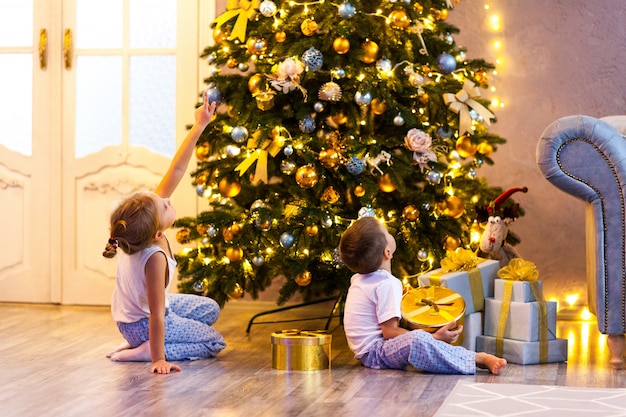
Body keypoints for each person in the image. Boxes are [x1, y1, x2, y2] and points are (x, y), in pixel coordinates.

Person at [102, 90, 226, 374]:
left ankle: (145, 344)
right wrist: (159, 358)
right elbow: (158, 314)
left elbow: (177, 170)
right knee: (213, 341)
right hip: (144, 324)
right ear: (158, 233)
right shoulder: (154, 257)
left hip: (134, 318)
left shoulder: (141, 226)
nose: (168, 200)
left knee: (210, 309)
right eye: (165, 205)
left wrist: (200, 126)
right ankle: (146, 350)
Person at [338, 216, 507, 375]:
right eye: (387, 233)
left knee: (417, 338)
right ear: (387, 253)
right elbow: (389, 331)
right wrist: (431, 337)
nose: (390, 233)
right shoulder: (386, 284)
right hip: (376, 353)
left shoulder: (359, 279)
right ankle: (475, 359)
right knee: (417, 340)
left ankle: (460, 353)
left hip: (366, 353)